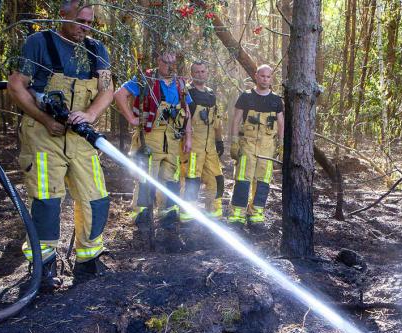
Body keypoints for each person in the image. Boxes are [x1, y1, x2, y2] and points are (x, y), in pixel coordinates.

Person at [7, 0, 113, 288]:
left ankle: (88, 263)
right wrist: (44, 119)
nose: (85, 28)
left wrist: (90, 114)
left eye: (90, 23)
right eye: (80, 21)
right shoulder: (39, 43)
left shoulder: (96, 50)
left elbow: (107, 90)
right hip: (44, 137)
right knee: (47, 202)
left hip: (81, 137)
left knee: (96, 198)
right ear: (62, 16)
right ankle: (43, 270)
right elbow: (16, 85)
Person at [113, 50, 193, 234]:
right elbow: (119, 95)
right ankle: (143, 215)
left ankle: (168, 215)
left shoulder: (181, 84)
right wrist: (132, 119)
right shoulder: (146, 79)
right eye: (166, 62)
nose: (170, 66)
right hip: (150, 136)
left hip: (172, 139)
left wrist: (188, 137)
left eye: (174, 62)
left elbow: (186, 112)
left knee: (171, 178)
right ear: (159, 61)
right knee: (146, 176)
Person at [228, 64, 284, 230]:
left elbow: (281, 123)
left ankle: (256, 215)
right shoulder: (246, 97)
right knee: (243, 179)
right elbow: (236, 119)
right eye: (262, 76)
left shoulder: (276, 100)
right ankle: (237, 215)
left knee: (263, 181)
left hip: (267, 148)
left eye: (268, 77)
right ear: (256, 76)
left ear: (271, 78)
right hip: (248, 145)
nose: (265, 79)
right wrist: (233, 141)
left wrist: (280, 145)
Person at [181, 60, 225, 221]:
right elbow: (183, 120)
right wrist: (187, 139)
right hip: (192, 146)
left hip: (210, 147)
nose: (200, 74)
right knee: (191, 180)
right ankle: (187, 214)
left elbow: (217, 121)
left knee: (217, 178)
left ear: (207, 73)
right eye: (197, 72)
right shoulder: (186, 93)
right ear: (192, 74)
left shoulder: (211, 94)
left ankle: (213, 212)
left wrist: (219, 141)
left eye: (203, 71)